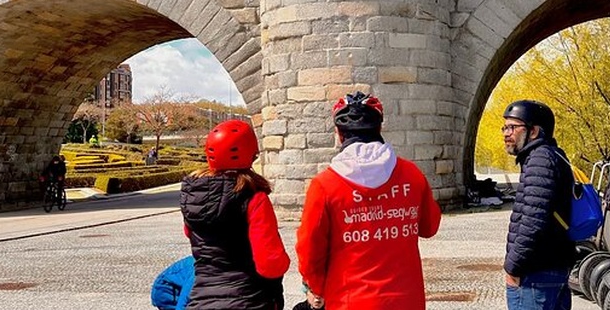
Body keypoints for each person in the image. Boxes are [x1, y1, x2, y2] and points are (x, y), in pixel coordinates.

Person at [295, 91, 442, 310]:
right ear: (380, 129)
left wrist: (316, 288)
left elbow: (309, 250)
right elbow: (429, 227)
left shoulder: (324, 185)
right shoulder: (412, 175)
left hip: (349, 300)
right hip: (406, 299)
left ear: (338, 134)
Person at [179, 119, 289, 310]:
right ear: (251, 154)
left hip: (201, 299)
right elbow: (270, 265)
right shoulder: (254, 197)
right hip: (250, 299)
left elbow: (190, 234)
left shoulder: (192, 195)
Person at [502, 100, 575, 310]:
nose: (506, 133)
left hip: (536, 274)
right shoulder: (551, 155)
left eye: (513, 127)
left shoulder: (539, 159)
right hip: (551, 269)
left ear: (533, 131)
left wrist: (513, 266)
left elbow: (533, 219)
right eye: (505, 128)